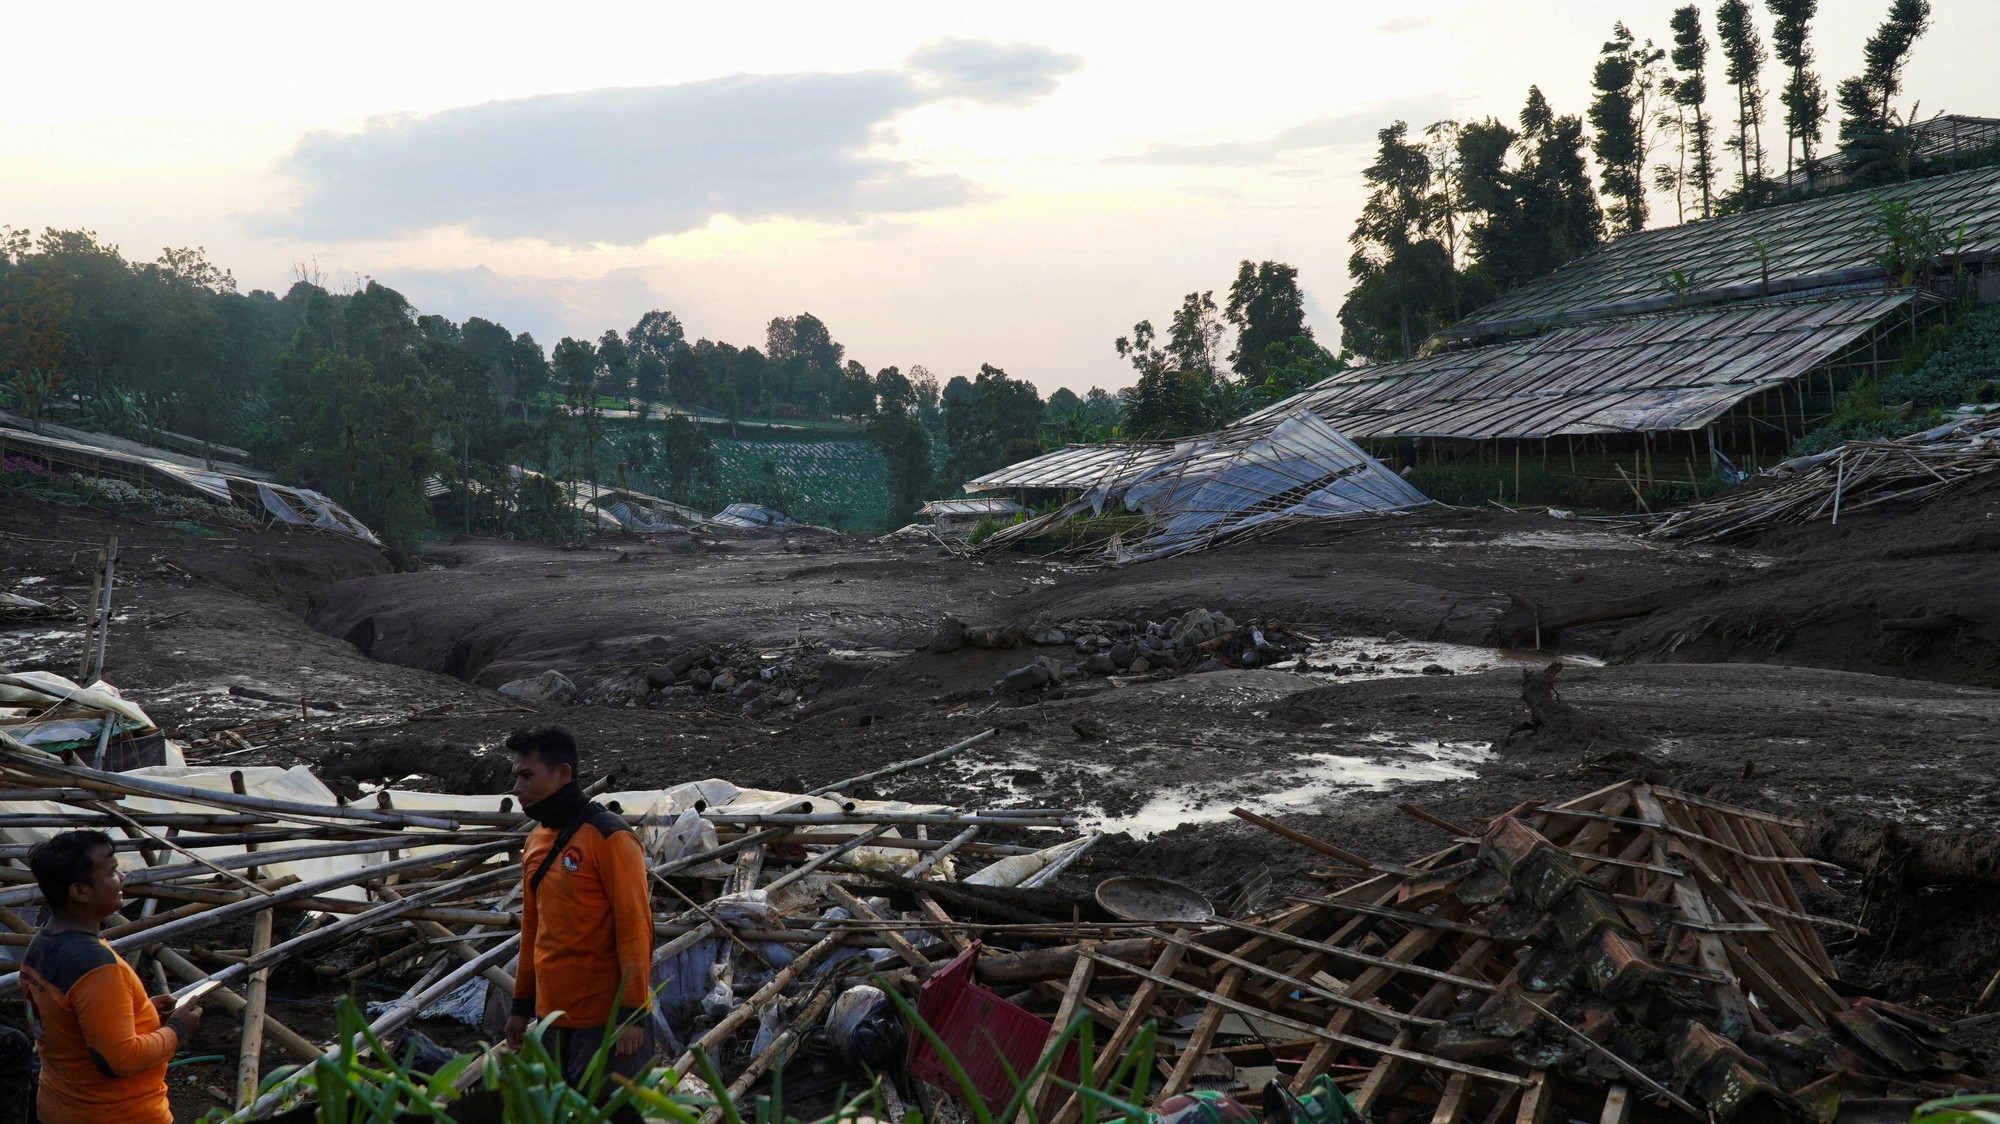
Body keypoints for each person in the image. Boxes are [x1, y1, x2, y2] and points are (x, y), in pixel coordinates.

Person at [503, 726, 654, 1118]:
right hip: (552, 1019)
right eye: (515, 775)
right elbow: (533, 931)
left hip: (605, 1025)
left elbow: (634, 929)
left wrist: (633, 1015)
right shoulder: (537, 838)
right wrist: (521, 1006)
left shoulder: (610, 838)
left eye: (526, 775)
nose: (516, 788)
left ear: (563, 774)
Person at [21, 830, 201, 1124]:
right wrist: (178, 1030)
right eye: (112, 871)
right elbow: (119, 1060)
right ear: (80, 891)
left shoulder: (42, 945)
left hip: (58, 1106)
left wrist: (142, 1014)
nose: (123, 878)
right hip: (116, 1114)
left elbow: (69, 1026)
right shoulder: (97, 966)